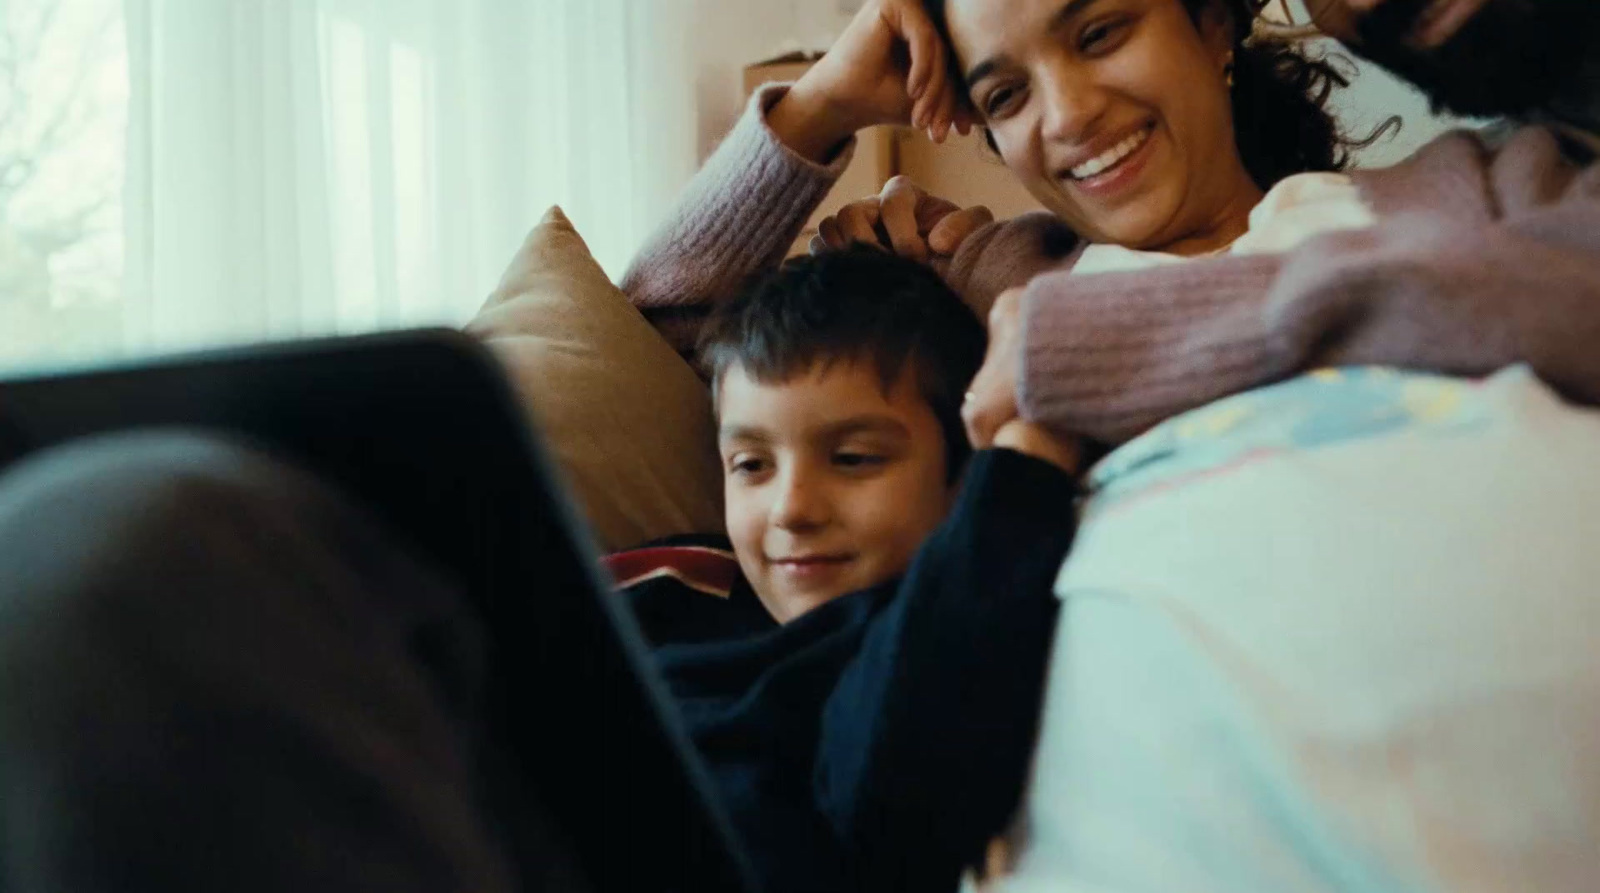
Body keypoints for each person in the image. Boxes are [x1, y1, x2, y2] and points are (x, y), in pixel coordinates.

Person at [609, 245, 1082, 893]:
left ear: (965, 475)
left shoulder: (961, 617)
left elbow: (900, 809)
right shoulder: (674, 587)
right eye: (751, 465)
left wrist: (1022, 457)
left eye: (855, 458)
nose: (792, 508)